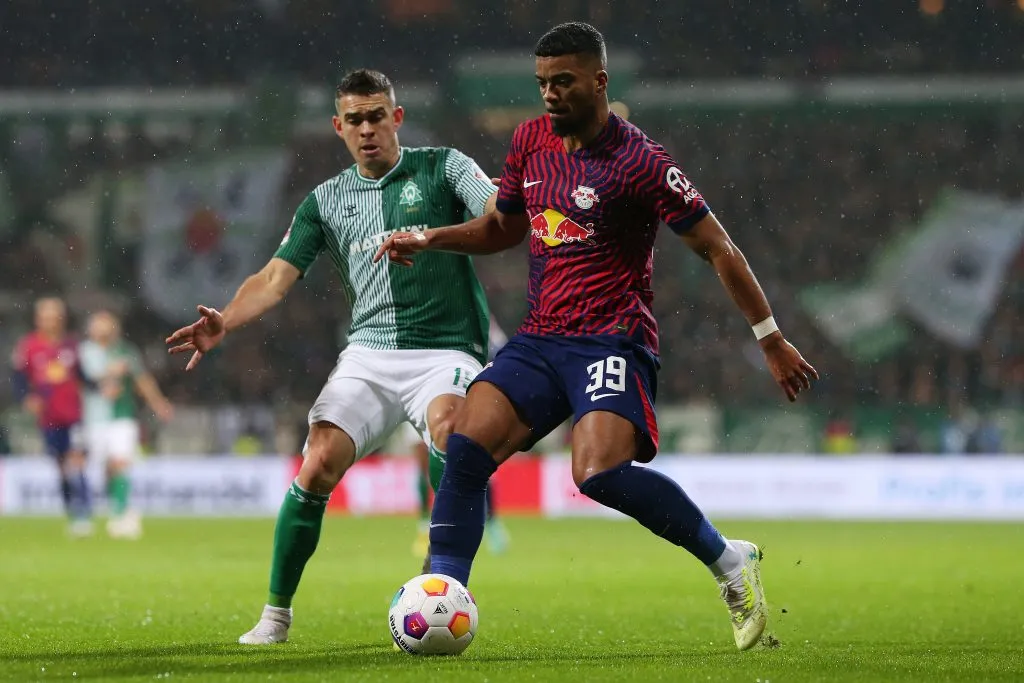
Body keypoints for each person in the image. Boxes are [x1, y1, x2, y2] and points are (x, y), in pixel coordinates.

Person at [377, 22, 818, 651]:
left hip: (611, 339)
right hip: (540, 339)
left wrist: (769, 336)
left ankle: (727, 561)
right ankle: (442, 590)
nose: (550, 94)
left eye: (563, 81)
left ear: (599, 81)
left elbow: (716, 245)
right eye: (542, 83)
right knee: (464, 445)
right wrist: (432, 237)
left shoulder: (642, 161)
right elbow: (505, 228)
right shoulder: (530, 140)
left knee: (597, 473)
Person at [164, 68, 499, 645]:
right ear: (337, 127)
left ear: (397, 117)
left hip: (446, 348)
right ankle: (275, 616)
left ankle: (443, 579)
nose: (367, 129)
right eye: (355, 120)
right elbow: (273, 278)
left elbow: (498, 213)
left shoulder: (444, 166)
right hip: (369, 354)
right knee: (318, 462)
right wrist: (226, 320)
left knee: (452, 432)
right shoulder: (326, 200)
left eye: (377, 116)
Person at [79, 310, 174, 539]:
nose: (103, 329)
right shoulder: (82, 352)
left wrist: (158, 403)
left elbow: (142, 379)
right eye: (98, 324)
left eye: (107, 324)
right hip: (92, 417)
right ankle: (118, 508)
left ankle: (120, 514)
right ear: (90, 328)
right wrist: (106, 375)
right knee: (105, 468)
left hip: (122, 417)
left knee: (121, 461)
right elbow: (79, 380)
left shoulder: (125, 351)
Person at [10, 297, 91, 536]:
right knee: (60, 466)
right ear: (38, 319)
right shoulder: (29, 346)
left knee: (76, 461)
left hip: (74, 415)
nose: (49, 320)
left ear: (61, 318)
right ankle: (71, 510)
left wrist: (99, 387)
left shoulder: (72, 346)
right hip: (48, 417)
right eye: (45, 316)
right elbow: (17, 378)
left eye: (54, 315)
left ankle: (84, 512)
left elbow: (82, 376)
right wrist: (26, 397)